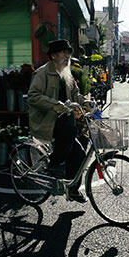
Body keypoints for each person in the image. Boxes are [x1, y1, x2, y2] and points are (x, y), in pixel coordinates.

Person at [28, 39, 91, 203]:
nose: (67, 56)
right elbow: (33, 97)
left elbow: (76, 94)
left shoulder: (66, 73)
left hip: (65, 122)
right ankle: (54, 165)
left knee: (80, 154)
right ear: (54, 56)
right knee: (69, 133)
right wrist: (56, 105)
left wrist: (86, 102)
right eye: (64, 53)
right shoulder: (42, 73)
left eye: (69, 53)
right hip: (46, 122)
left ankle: (73, 190)